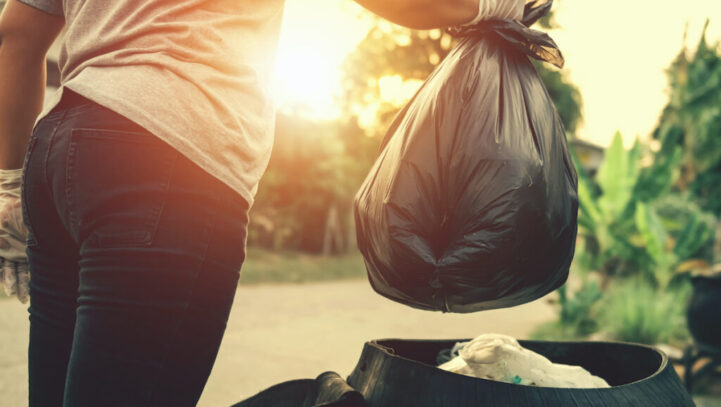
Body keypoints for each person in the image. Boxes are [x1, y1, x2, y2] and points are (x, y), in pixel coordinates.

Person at [0, 0, 506, 405]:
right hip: (168, 152)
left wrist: (8, 185)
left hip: (61, 149)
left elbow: (17, 33)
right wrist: (490, 5)